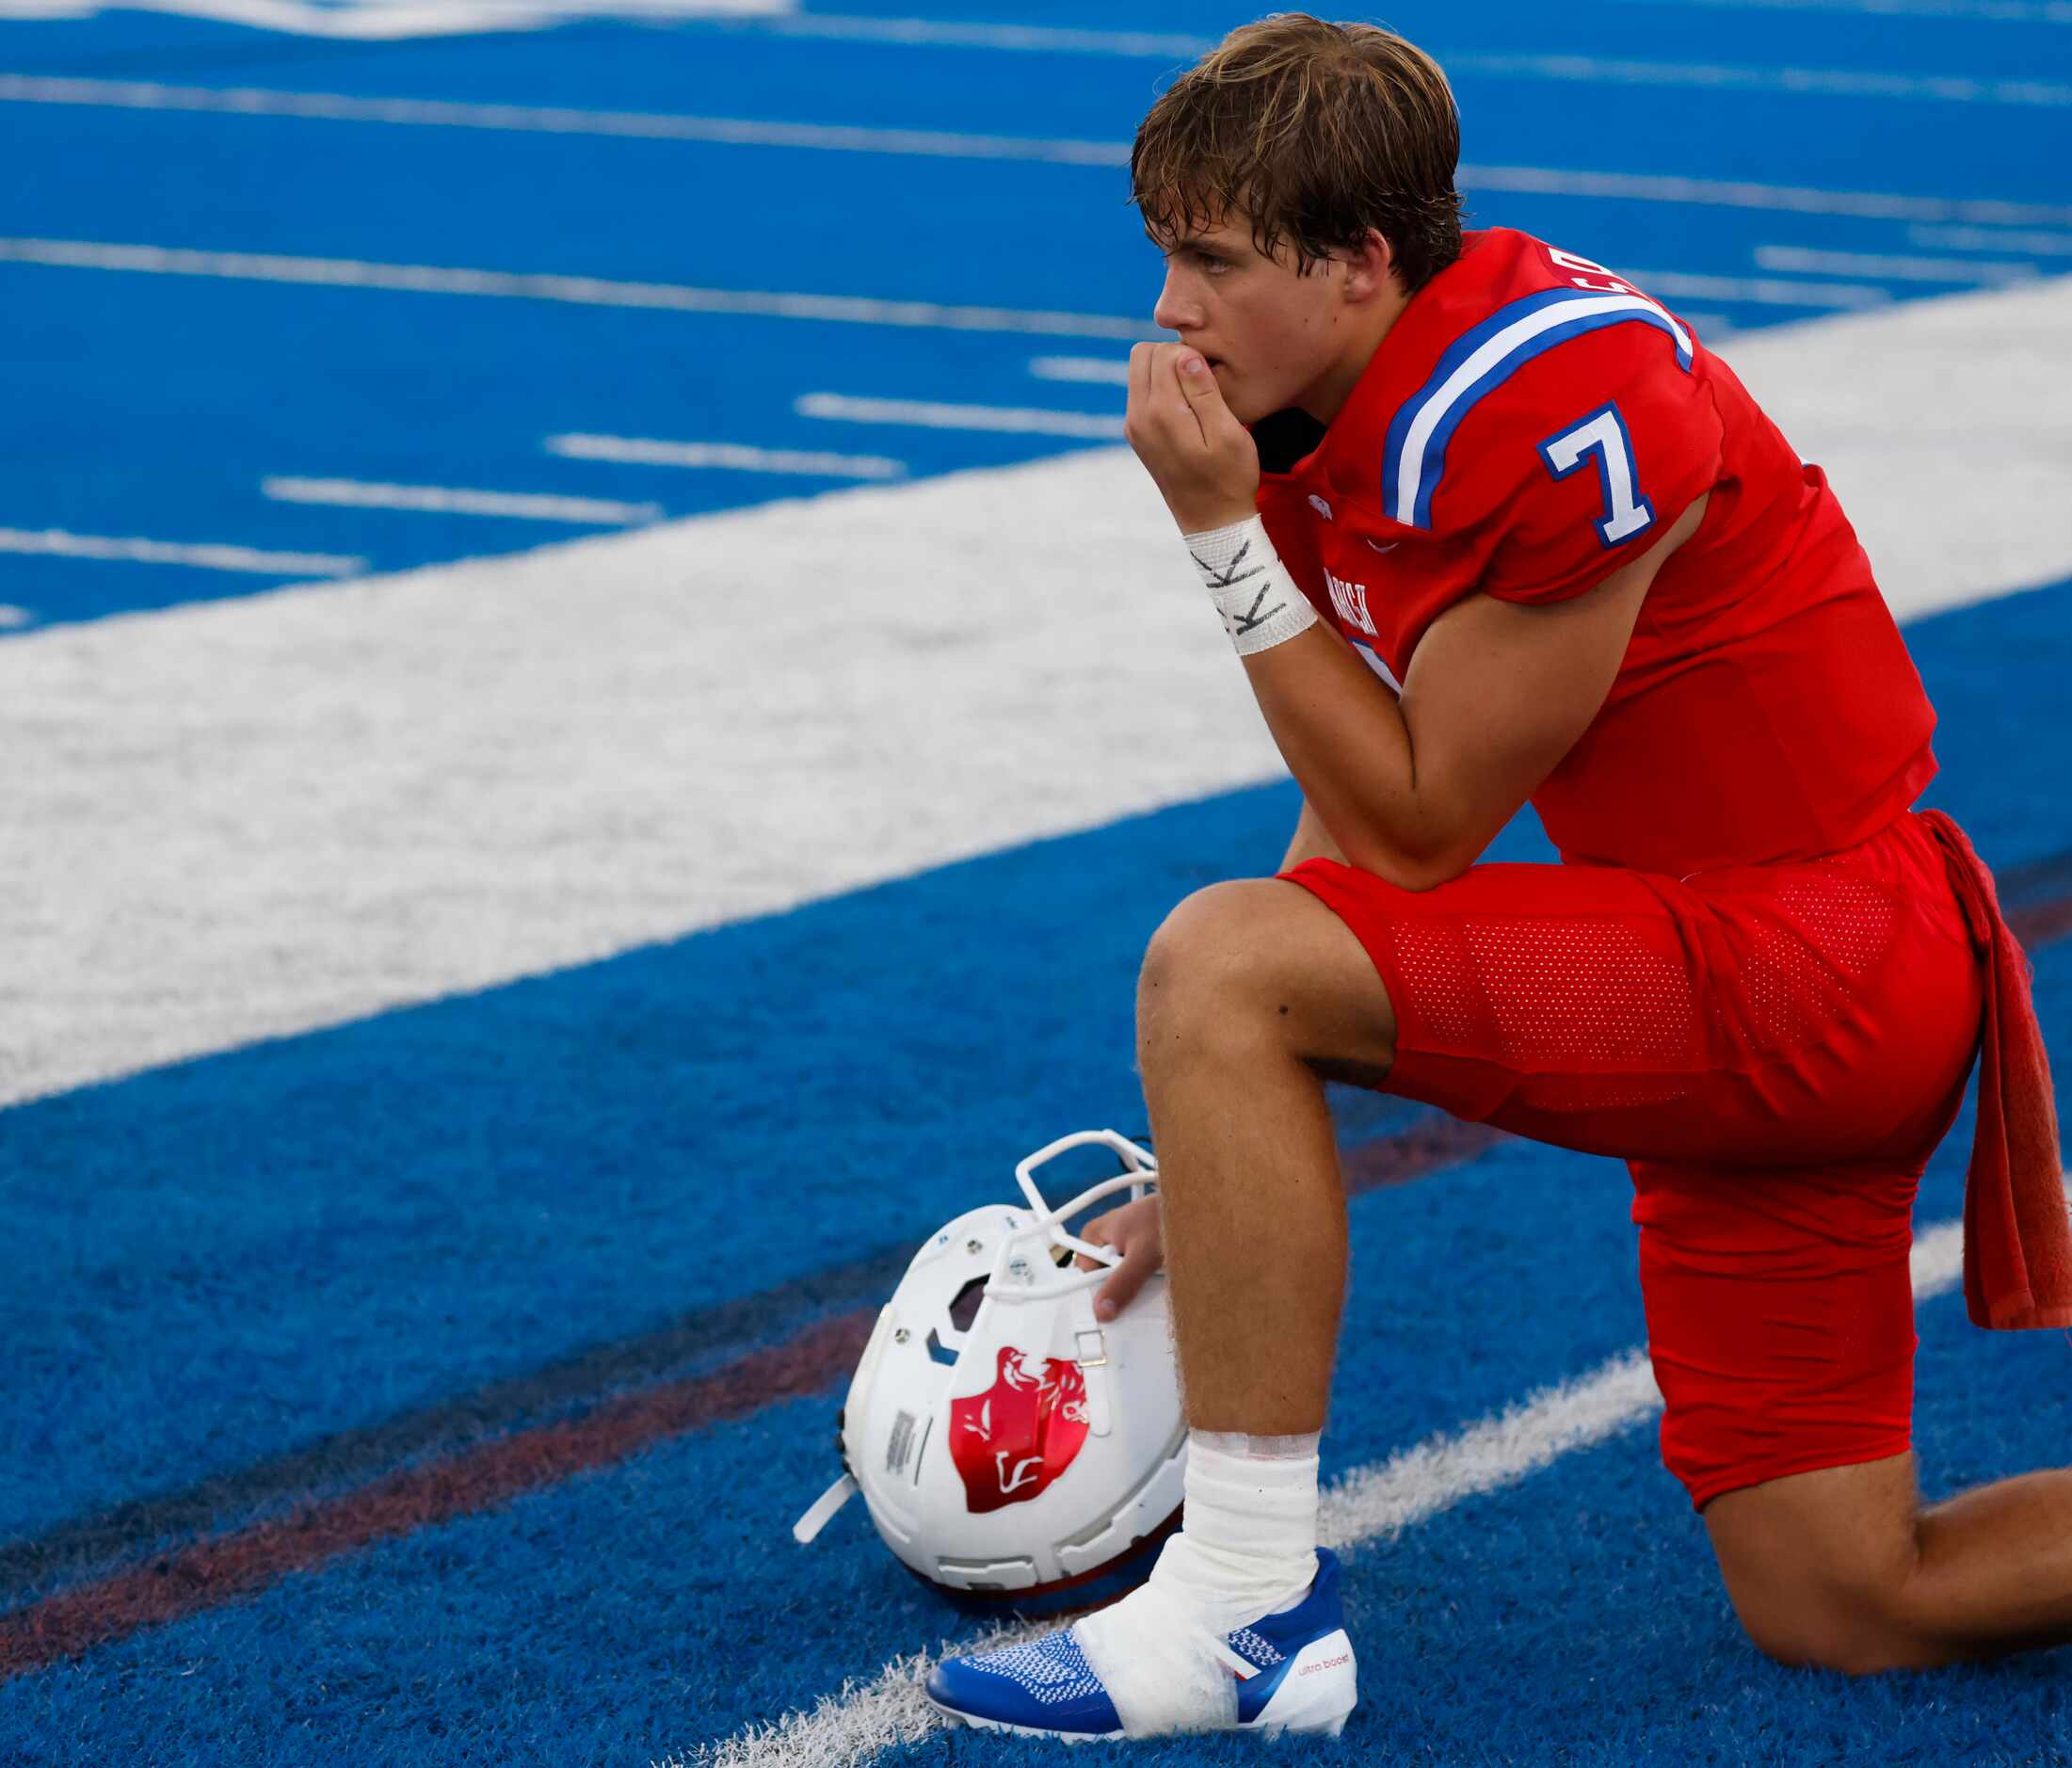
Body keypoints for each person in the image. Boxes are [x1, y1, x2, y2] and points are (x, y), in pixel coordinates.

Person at [924, 12, 2072, 1741]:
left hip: (1811, 964)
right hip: (1757, 987)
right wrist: (1215, 1140)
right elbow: (1358, 801)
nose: (1169, 305)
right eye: (1164, 252)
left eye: (1213, 260)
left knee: (1213, 959)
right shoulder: (1354, 387)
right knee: (1848, 1599)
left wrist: (1218, 534)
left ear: (1363, 259)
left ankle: (1243, 1608)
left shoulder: (1552, 399)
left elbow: (1416, 826)